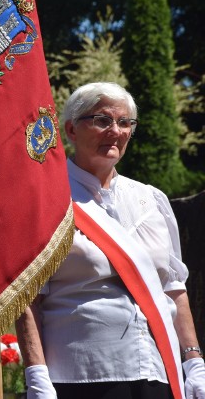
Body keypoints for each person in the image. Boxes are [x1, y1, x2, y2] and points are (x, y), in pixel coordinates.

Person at [16, 82, 205, 399]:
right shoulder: (46, 199)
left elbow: (173, 288)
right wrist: (36, 372)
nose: (115, 131)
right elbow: (26, 295)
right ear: (71, 130)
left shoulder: (152, 200)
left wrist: (194, 362)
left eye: (125, 122)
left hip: (160, 371)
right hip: (83, 375)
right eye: (102, 120)